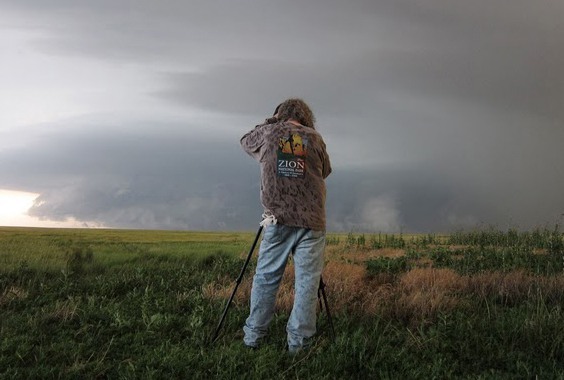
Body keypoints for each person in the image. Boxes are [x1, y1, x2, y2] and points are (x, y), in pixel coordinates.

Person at [240, 98, 332, 353]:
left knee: (267, 279)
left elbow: (245, 141)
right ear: (306, 116)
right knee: (307, 283)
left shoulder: (268, 132)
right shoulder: (315, 137)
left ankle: (253, 338)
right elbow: (325, 170)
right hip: (312, 220)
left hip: (278, 218)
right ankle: (299, 345)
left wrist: (271, 121)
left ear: (280, 114)